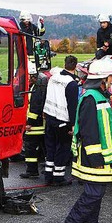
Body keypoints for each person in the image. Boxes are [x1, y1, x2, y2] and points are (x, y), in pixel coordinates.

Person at [63, 58, 112, 223]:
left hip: (100, 156)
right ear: (102, 79)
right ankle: (72, 221)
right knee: (94, 192)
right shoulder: (91, 99)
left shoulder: (99, 97)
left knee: (98, 191)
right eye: (110, 77)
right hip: (93, 157)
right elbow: (89, 132)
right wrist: (97, 160)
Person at [43, 55, 79, 186]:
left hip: (50, 118)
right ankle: (58, 177)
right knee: (62, 148)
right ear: (75, 66)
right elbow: (72, 105)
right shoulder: (71, 83)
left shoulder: (53, 78)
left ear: (65, 64)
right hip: (63, 120)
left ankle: (48, 175)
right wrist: (73, 125)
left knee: (50, 148)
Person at [21, 62, 48, 178]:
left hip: (34, 126)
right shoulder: (37, 87)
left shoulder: (36, 89)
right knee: (45, 148)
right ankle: (48, 170)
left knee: (30, 149)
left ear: (32, 76)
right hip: (41, 125)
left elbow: (34, 108)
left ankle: (31, 171)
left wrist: (29, 123)